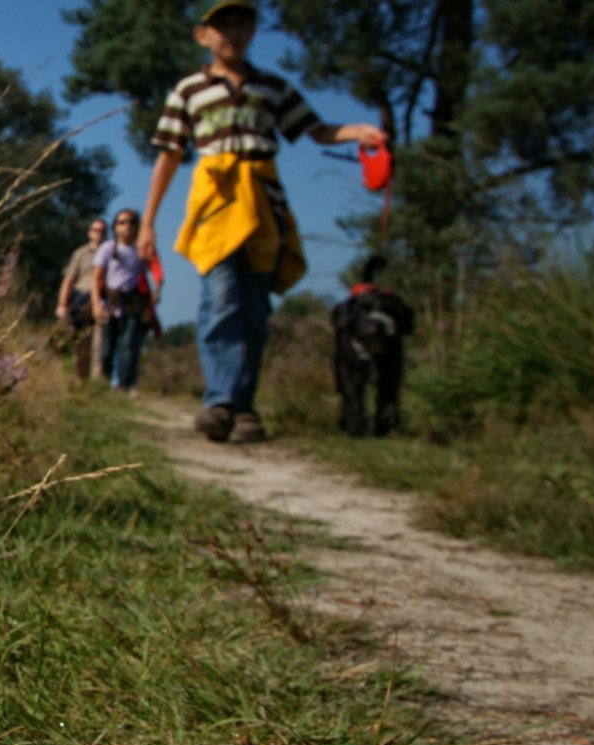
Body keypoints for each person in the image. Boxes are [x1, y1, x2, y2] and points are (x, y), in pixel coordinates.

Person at [136, 0, 385, 443]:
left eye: (242, 23)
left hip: (263, 203)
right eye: (222, 24)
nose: (232, 32)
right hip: (215, 203)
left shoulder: (272, 87)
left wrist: (358, 132)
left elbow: (317, 130)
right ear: (203, 35)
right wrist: (148, 221)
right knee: (221, 298)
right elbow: (170, 154)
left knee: (254, 306)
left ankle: (245, 407)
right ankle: (219, 401)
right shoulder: (189, 90)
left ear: (253, 31)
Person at [330, 255, 414, 437]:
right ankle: (354, 425)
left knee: (389, 384)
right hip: (353, 341)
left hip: (388, 344)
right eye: (365, 311)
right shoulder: (347, 320)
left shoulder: (393, 324)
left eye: (386, 312)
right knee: (349, 386)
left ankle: (384, 426)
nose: (375, 324)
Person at [92, 209, 156, 392]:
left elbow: (154, 271)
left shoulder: (140, 250)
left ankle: (124, 387)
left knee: (128, 346)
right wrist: (97, 304)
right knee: (107, 349)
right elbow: (96, 278)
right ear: (115, 227)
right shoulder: (108, 248)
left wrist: (155, 292)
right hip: (110, 304)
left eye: (131, 222)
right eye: (122, 222)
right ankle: (102, 386)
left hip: (132, 304)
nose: (127, 226)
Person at [55, 217, 109, 381]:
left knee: (100, 344)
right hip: (81, 298)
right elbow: (68, 280)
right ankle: (80, 379)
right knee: (80, 343)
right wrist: (62, 304)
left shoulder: (111, 254)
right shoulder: (80, 253)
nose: (98, 233)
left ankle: (98, 381)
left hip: (102, 300)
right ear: (89, 233)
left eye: (101, 230)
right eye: (95, 230)